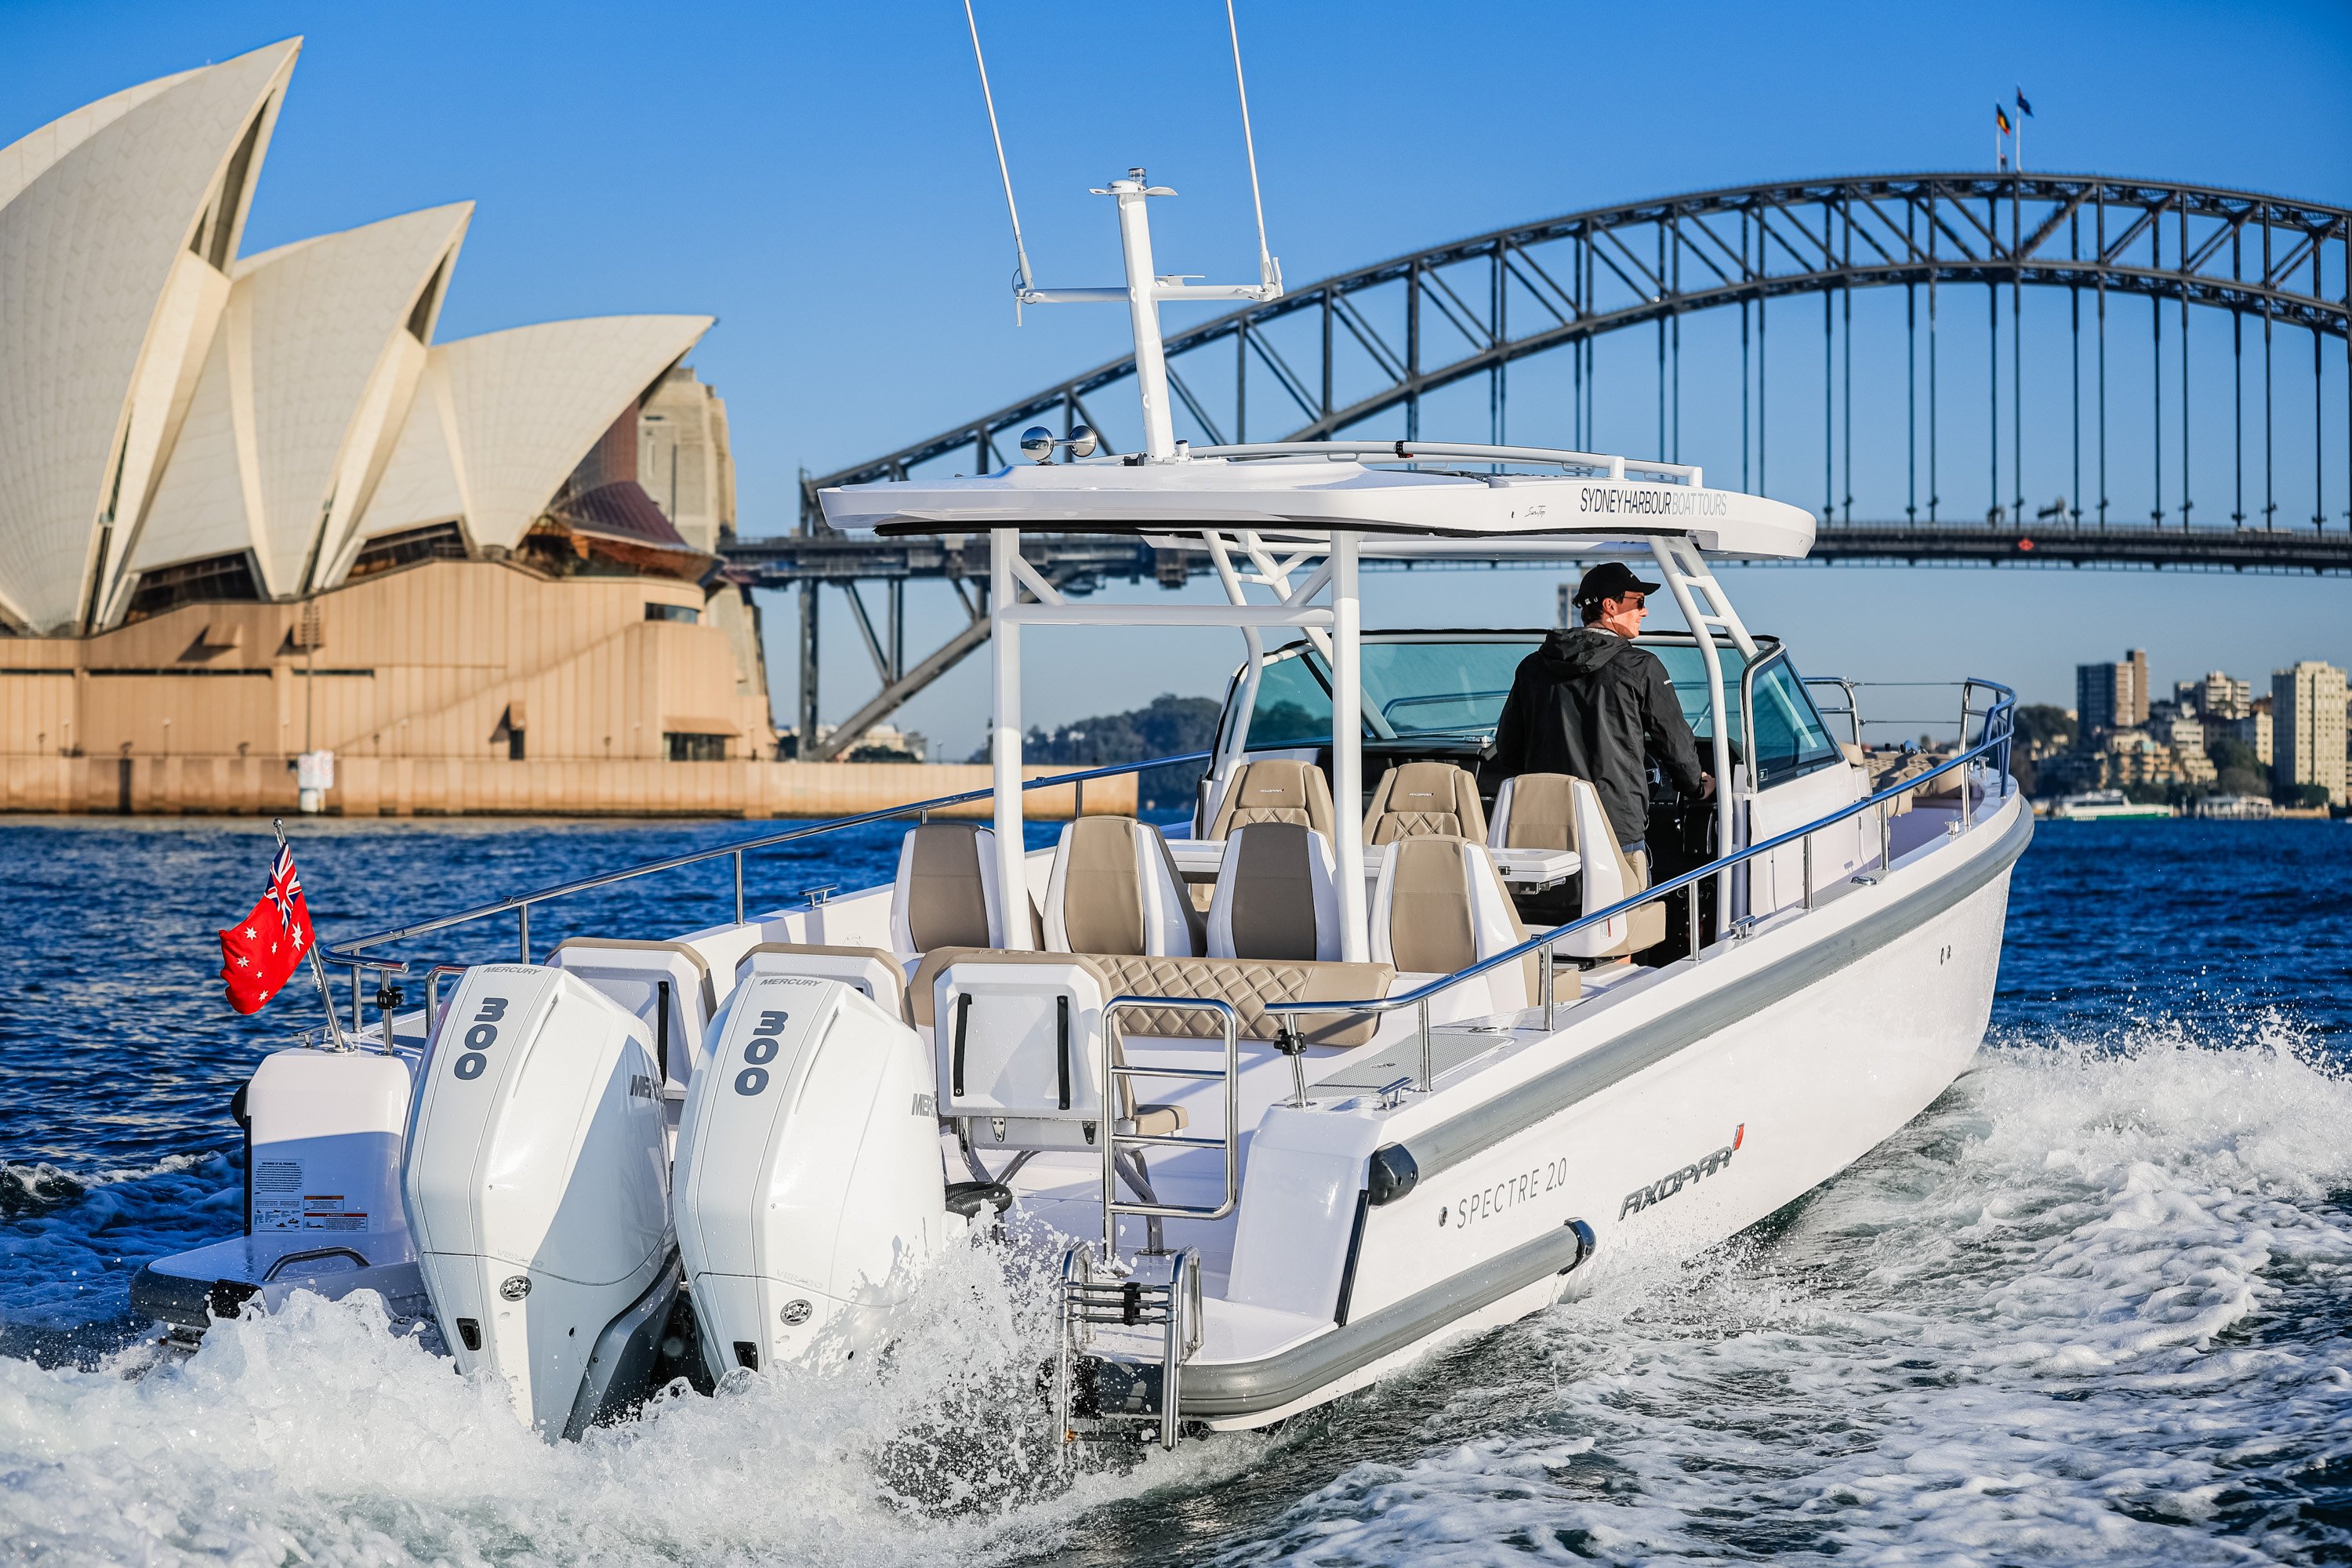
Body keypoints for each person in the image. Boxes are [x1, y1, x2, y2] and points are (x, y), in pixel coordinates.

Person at [1489, 561, 1713, 862]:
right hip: (1615, 826)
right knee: (1623, 906)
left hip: (1545, 826)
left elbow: (1509, 750)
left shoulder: (1532, 667)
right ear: (1610, 606)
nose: (1645, 612)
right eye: (1639, 602)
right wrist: (1697, 787)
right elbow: (1675, 743)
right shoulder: (1641, 667)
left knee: (1554, 909)